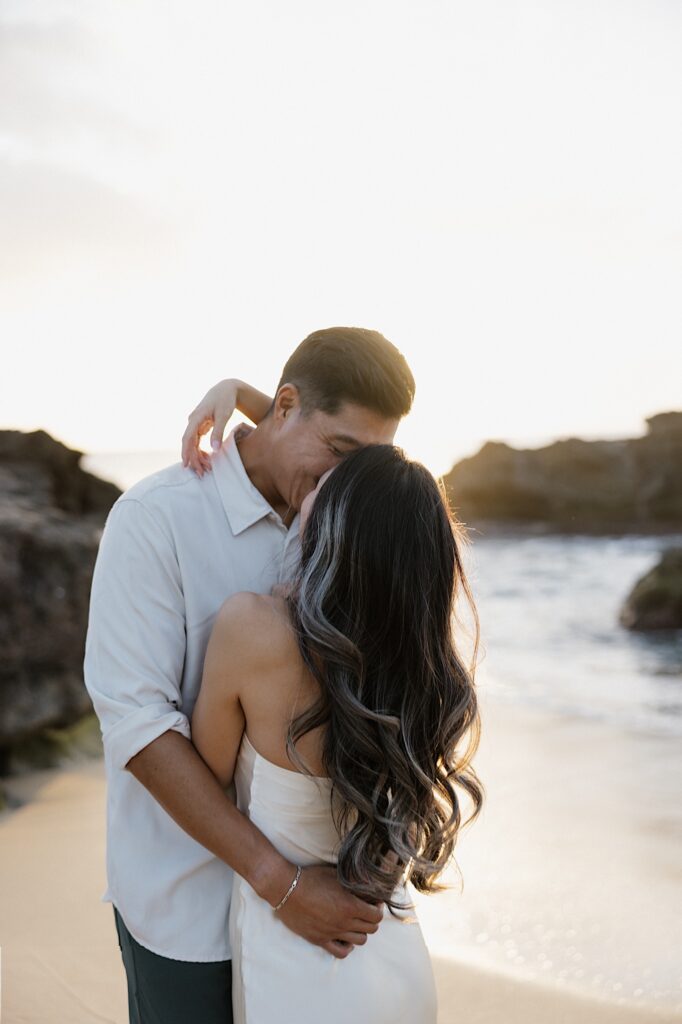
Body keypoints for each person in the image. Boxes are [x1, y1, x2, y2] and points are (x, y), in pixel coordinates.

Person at [83, 327, 416, 1023]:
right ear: (286, 406)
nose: (342, 482)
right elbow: (139, 726)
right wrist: (281, 884)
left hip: (335, 899)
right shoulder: (155, 521)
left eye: (365, 464)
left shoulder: (348, 520)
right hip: (189, 904)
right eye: (338, 453)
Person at [190, 443, 483, 1022]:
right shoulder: (426, 674)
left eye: (324, 485)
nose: (306, 492)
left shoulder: (252, 629)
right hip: (391, 951)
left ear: (335, 524)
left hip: (296, 962)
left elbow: (207, 773)